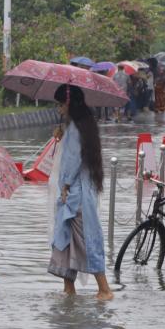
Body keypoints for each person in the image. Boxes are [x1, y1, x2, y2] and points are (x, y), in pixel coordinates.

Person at [48, 84, 114, 301]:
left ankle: (104, 289)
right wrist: (62, 136)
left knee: (85, 240)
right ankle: (69, 288)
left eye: (60, 104)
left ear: (69, 104)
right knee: (65, 239)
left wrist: (66, 185)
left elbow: (72, 159)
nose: (58, 109)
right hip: (77, 192)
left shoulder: (76, 128)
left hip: (76, 194)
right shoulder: (81, 126)